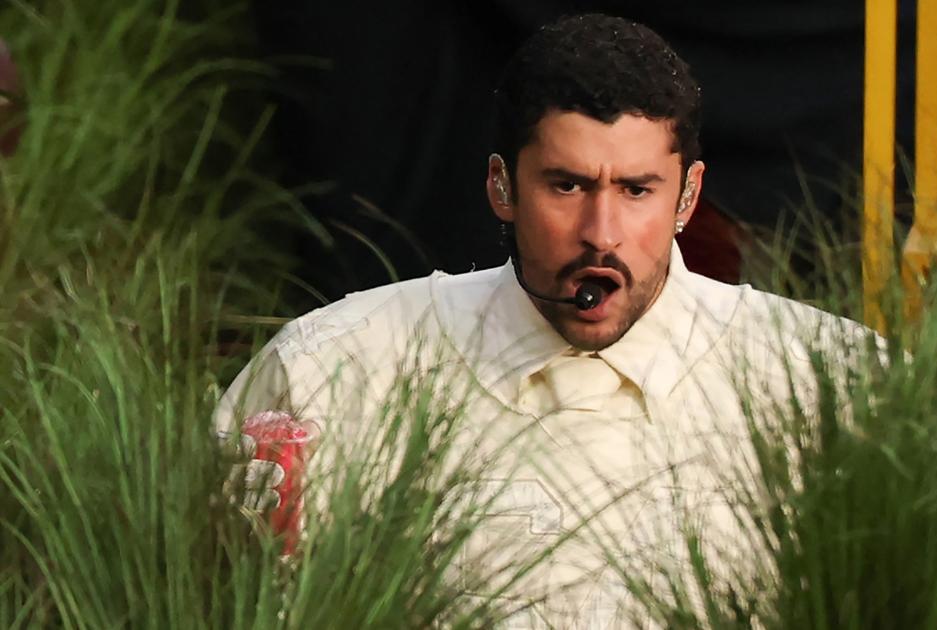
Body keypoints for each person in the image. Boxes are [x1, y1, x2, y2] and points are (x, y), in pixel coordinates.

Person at [218, 13, 874, 628]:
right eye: (567, 186)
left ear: (688, 196)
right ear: (501, 186)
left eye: (636, 190)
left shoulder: (834, 384)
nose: (601, 234)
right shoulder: (335, 370)